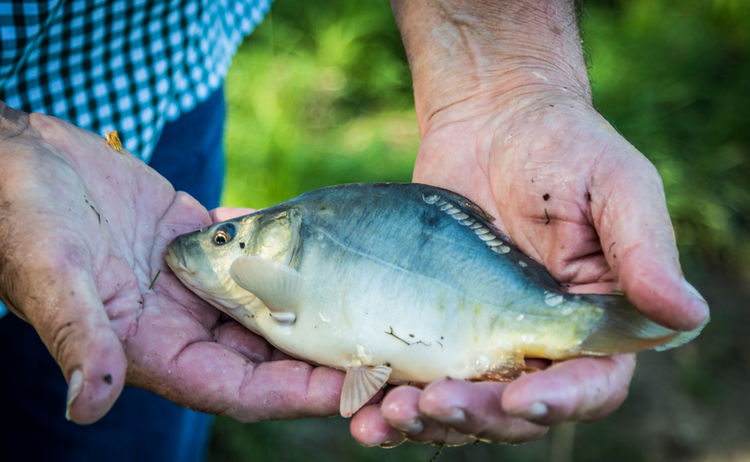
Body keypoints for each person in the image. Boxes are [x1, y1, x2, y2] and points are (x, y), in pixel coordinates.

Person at [0, 0, 708, 458]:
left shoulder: (254, 263)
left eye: (227, 243)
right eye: (225, 240)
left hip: (146, 77)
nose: (218, 250)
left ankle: (577, 326)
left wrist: (506, 78)